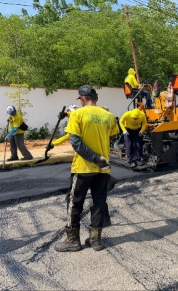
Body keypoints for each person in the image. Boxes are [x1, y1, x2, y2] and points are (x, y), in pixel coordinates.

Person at [54, 85, 119, 252]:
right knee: (99, 202)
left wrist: (94, 158)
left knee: (74, 203)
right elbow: (112, 136)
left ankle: (72, 240)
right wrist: (100, 157)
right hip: (103, 168)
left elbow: (76, 143)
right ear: (96, 98)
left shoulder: (77, 114)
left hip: (83, 167)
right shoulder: (109, 116)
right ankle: (96, 240)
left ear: (81, 99)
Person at [46, 105, 116, 227]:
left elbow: (72, 138)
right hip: (103, 162)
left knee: (74, 200)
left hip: (86, 165)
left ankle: (72, 236)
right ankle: (100, 228)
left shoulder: (78, 118)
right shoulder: (101, 116)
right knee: (99, 199)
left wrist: (53, 143)